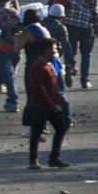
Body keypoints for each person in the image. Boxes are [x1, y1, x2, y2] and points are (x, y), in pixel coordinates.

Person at [55, 0, 98, 90]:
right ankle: (85, 80)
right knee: (86, 53)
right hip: (86, 23)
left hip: (69, 21)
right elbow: (96, 7)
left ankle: (70, 66)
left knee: (71, 49)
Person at [26, 39, 71, 169]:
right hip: (41, 105)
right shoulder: (38, 67)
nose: (55, 51)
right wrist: (52, 105)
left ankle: (54, 158)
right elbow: (39, 89)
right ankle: (33, 160)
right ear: (46, 51)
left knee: (61, 128)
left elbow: (54, 88)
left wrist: (60, 102)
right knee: (36, 132)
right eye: (54, 49)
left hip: (52, 104)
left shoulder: (50, 65)